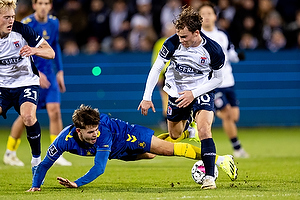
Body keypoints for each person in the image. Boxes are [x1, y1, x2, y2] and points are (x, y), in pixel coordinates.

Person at [27, 104, 237, 191]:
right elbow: (45, 164)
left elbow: (99, 168)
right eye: (90, 132)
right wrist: (36, 185)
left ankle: (219, 159)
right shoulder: (64, 139)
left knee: (167, 150)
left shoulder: (103, 134)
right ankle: (179, 134)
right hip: (117, 153)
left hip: (126, 136)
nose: (94, 134)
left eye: (96, 130)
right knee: (151, 155)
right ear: (78, 131)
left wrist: (77, 183)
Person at [138, 6, 236, 189]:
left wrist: (194, 94)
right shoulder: (172, 43)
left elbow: (218, 79)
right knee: (175, 135)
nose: (180, 39)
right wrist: (147, 96)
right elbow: (157, 68)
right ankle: (190, 129)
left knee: (205, 130)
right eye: (178, 35)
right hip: (176, 92)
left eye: (184, 36)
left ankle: (209, 178)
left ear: (196, 33)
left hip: (201, 91)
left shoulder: (213, 50)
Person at [3, 0, 72, 166]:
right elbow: (21, 51)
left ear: (50, 6)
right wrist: (37, 73)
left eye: (46, 3)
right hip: (33, 76)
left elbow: (53, 46)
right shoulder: (26, 23)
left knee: (55, 112)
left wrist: (60, 72)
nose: (43, 6)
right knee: (26, 116)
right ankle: (10, 151)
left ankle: (56, 152)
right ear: (34, 5)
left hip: (50, 75)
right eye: (40, 3)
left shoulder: (54, 22)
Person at [198, 3, 249, 158]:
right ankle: (238, 148)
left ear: (215, 16)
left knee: (234, 117)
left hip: (228, 81)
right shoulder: (197, 36)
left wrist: (237, 57)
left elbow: (230, 53)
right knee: (226, 114)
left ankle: (203, 118)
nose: (206, 16)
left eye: (209, 13)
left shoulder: (222, 35)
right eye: (203, 13)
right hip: (213, 83)